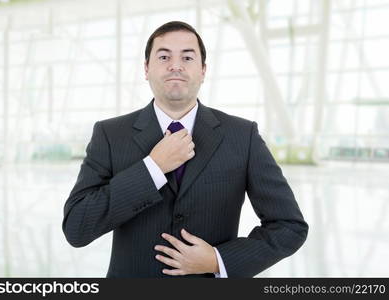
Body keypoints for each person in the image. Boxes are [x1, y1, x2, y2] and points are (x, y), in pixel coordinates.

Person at [62, 21, 308, 278]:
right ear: (146, 69)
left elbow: (289, 226)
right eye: (164, 56)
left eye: (187, 57)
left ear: (203, 70)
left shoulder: (242, 136)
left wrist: (217, 261)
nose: (175, 65)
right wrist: (152, 168)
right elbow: (77, 227)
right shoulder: (110, 135)